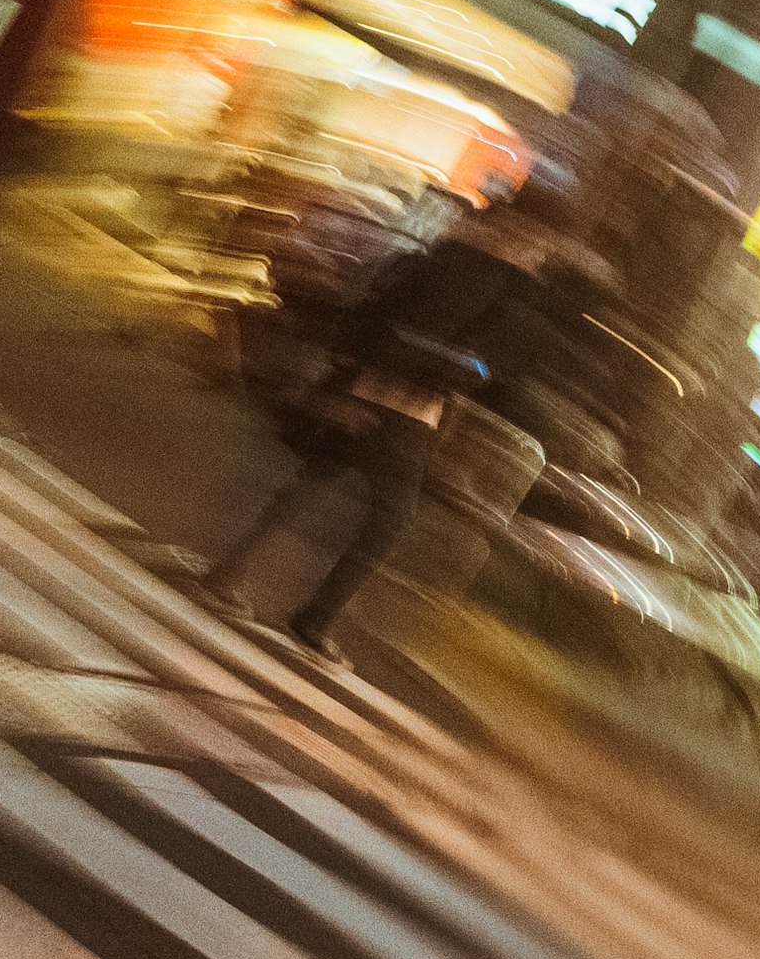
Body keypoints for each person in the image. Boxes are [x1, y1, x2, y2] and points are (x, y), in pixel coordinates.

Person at [203, 200, 558, 660]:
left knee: (310, 487)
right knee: (385, 522)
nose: (540, 254)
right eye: (538, 243)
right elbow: (439, 347)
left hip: (377, 398)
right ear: (520, 235)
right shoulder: (479, 278)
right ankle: (312, 617)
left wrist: (347, 385)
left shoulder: (440, 261)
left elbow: (374, 320)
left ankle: (235, 575)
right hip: (401, 411)